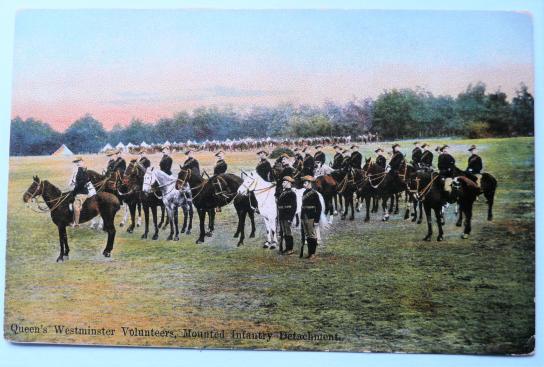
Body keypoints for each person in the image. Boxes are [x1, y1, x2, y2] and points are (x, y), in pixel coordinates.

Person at [68, 157, 96, 228]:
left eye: (78, 162)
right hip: (81, 190)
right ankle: (72, 220)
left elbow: (80, 184)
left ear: (82, 161)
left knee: (75, 206)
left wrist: (74, 192)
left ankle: (77, 224)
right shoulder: (82, 169)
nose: (77, 163)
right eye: (76, 162)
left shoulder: (81, 170)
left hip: (82, 192)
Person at [300, 175, 322, 259]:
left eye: (305, 183)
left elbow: (319, 207)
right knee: (307, 235)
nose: (303, 184)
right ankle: (309, 252)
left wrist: (316, 220)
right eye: (304, 183)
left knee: (312, 235)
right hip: (304, 216)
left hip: (311, 216)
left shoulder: (314, 193)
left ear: (309, 183)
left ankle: (312, 253)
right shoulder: (304, 192)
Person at [277, 176, 298, 255]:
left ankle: (290, 249)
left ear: (289, 183)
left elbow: (294, 207)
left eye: (284, 182)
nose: (283, 183)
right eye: (283, 182)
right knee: (284, 232)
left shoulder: (292, 193)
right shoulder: (282, 192)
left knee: (288, 232)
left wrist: (290, 218)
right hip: (282, 215)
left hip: (287, 216)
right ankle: (286, 248)